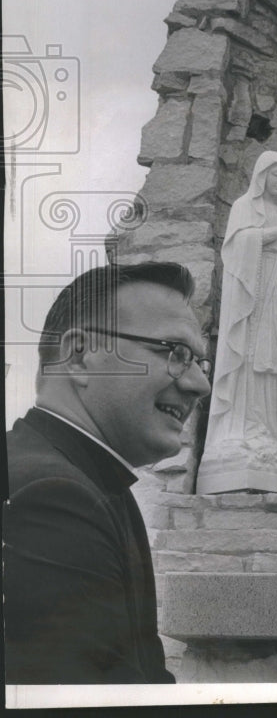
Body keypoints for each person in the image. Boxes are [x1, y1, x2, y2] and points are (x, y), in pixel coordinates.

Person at [4, 262, 212, 684]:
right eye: (174, 352)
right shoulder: (52, 498)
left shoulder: (91, 480)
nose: (199, 385)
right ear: (78, 355)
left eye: (199, 362)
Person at [196, 151, 277, 494]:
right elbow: (237, 246)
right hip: (253, 292)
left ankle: (269, 431)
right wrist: (273, 232)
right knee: (253, 355)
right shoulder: (245, 206)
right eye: (276, 175)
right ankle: (241, 431)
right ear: (262, 177)